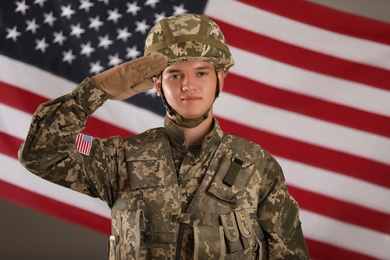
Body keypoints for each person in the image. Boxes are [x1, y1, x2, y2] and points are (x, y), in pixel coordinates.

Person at [18, 13, 310, 259]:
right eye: (175, 75)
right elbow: (40, 155)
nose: (188, 85)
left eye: (201, 73)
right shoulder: (120, 158)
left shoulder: (257, 165)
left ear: (221, 79)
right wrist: (94, 91)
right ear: (156, 84)